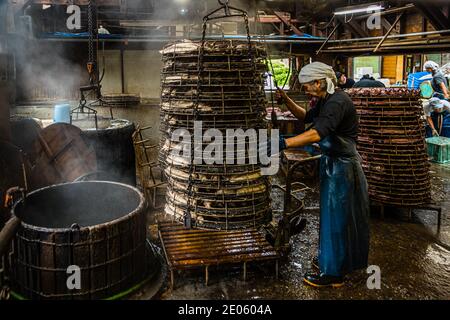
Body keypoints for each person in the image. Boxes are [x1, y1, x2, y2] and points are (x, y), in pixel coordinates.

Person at [276, 62, 370, 288]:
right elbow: (307, 117)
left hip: (343, 168)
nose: (305, 90)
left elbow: (317, 133)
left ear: (319, 82)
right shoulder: (326, 100)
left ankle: (333, 274)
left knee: (337, 219)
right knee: (334, 217)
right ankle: (336, 260)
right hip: (333, 164)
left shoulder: (337, 102)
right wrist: (286, 100)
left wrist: (283, 143)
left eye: (307, 86)